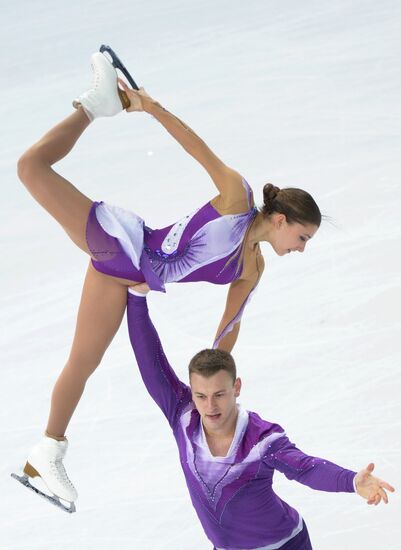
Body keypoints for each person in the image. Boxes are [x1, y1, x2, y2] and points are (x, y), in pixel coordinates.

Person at [15, 48, 320, 509]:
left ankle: (47, 451)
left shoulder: (253, 268)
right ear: (279, 219)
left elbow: (227, 330)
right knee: (29, 167)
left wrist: (215, 394)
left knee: (83, 360)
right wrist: (152, 108)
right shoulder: (236, 198)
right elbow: (196, 147)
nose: (302, 248)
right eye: (302, 236)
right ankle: (94, 106)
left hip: (130, 274)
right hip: (127, 245)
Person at [126, 287, 395, 550]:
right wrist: (137, 299)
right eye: (201, 396)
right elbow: (151, 361)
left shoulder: (262, 440)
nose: (209, 406)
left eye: (219, 394)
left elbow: (307, 468)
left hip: (285, 545)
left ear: (237, 387)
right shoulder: (183, 416)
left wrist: (350, 481)